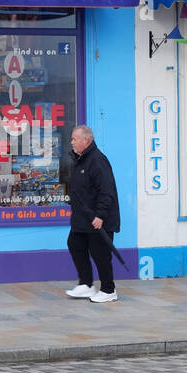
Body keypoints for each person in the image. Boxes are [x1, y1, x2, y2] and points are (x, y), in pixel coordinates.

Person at [65, 125, 121, 303]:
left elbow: (107, 190)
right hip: (82, 217)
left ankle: (108, 289)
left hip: (97, 218)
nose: (72, 142)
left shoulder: (97, 160)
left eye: (74, 139)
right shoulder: (80, 160)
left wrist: (100, 215)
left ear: (85, 141)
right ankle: (86, 284)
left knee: (100, 253)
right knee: (74, 243)